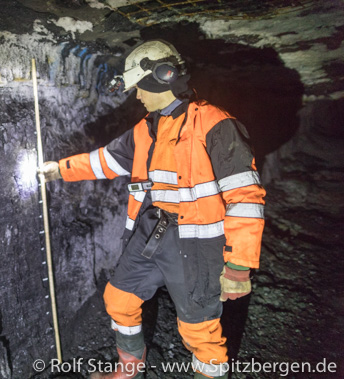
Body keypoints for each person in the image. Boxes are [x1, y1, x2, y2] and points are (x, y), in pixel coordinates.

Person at [39, 40, 266, 379]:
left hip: (198, 243)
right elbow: (106, 161)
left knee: (199, 330)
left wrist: (238, 266)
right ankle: (129, 370)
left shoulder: (215, 124)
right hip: (153, 232)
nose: (137, 96)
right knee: (118, 299)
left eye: (139, 89)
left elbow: (245, 197)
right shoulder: (147, 128)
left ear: (161, 77)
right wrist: (60, 169)